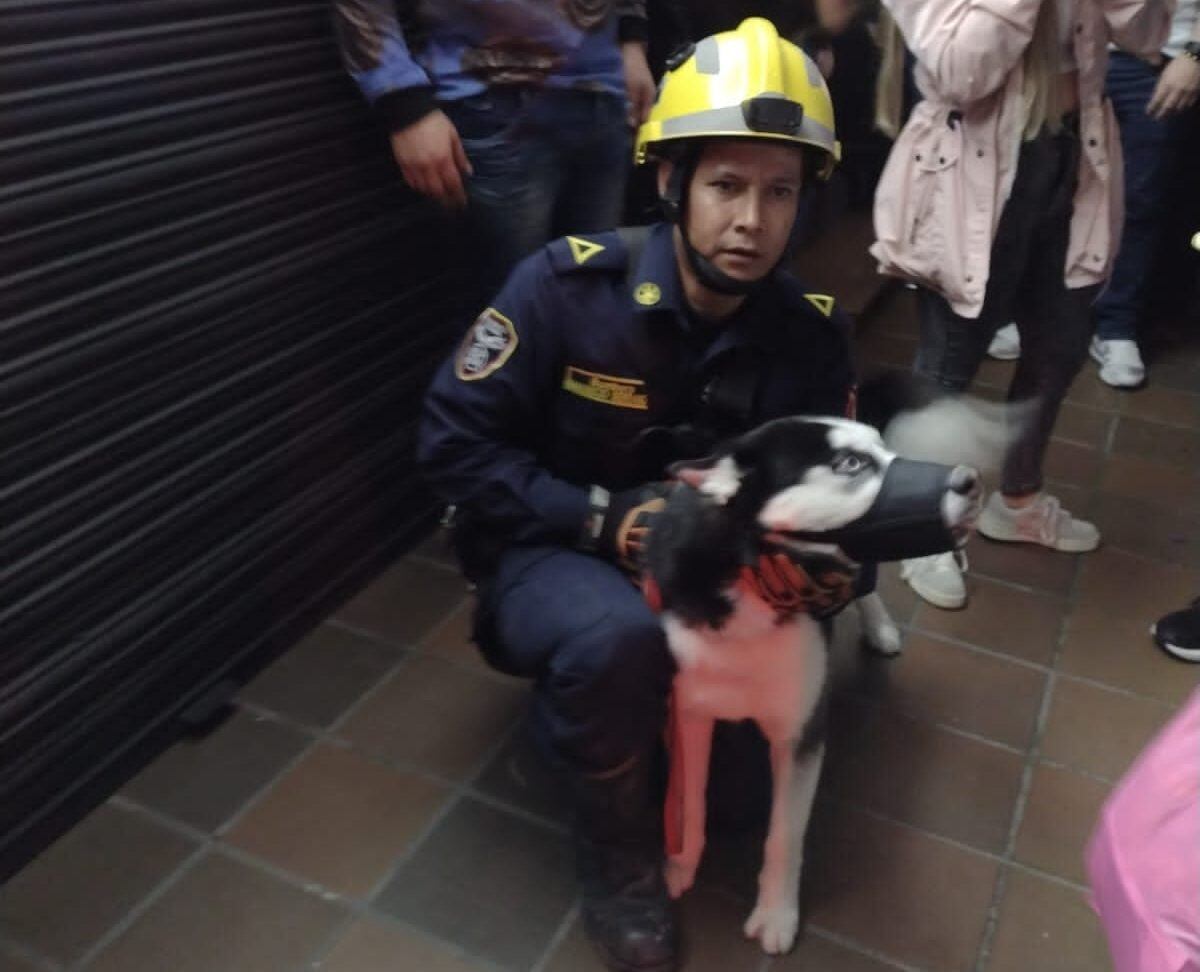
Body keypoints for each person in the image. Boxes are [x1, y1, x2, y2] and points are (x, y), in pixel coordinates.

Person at [418, 19, 853, 971]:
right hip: (554, 550)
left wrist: (834, 578)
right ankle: (617, 862)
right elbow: (452, 443)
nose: (752, 221)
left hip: (714, 576)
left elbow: (834, 492)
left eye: (780, 192)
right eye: (727, 185)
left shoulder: (812, 337)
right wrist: (597, 517)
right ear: (672, 183)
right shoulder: (563, 289)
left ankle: (618, 722)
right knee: (615, 649)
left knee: (737, 803)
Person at [870, 0, 1173, 610]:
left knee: (1059, 345)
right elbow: (957, 72)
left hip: (1072, 153)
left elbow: (1148, 34)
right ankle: (919, 526)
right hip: (969, 166)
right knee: (949, 361)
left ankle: (1018, 499)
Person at [332, 0, 657, 298]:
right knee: (504, 321)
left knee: (593, 302)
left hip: (605, 95)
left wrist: (631, 41)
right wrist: (404, 105)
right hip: (493, 107)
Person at [1091, 0, 1200, 387]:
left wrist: (1195, 55)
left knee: (1141, 201)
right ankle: (1037, 311)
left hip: (1165, 61)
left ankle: (1116, 325)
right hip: (1072, 54)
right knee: (1055, 193)